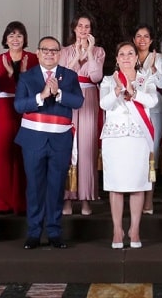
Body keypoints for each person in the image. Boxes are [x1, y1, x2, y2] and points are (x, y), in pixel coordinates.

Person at [14, 36, 83, 249]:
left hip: (60, 139)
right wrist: (41, 96)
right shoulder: (27, 76)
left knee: (56, 186)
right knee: (35, 187)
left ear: (60, 54)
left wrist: (59, 93)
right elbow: (19, 105)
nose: (50, 54)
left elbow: (78, 101)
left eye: (54, 50)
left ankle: (54, 232)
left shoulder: (69, 76)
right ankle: (34, 233)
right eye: (45, 50)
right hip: (33, 139)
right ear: (38, 52)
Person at [100, 42, 158, 249]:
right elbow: (104, 104)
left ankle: (134, 229)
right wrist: (116, 91)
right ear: (117, 59)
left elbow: (152, 101)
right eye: (122, 54)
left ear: (136, 58)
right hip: (115, 138)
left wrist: (135, 93)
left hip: (138, 137)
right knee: (115, 186)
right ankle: (117, 230)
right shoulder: (108, 80)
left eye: (130, 53)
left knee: (137, 185)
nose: (126, 57)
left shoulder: (145, 79)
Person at [58, 13, 105, 216]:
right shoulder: (64, 51)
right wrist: (77, 56)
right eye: (80, 26)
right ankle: (67, 199)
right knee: (68, 148)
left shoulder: (99, 51)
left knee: (87, 149)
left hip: (89, 99)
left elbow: (96, 76)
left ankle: (86, 198)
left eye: (87, 26)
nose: (84, 30)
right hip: (69, 98)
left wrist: (90, 53)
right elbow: (61, 76)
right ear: (74, 28)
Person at [0, 21, 38, 215]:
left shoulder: (33, 59)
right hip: (3, 109)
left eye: (19, 35)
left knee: (24, 154)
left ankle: (22, 203)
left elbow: (37, 87)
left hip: (27, 109)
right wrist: (10, 74)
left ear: (24, 38)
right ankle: (4, 202)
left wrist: (21, 74)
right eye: (11, 35)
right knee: (3, 153)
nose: (15, 39)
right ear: (6, 39)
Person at [133, 24, 162, 215]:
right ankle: (135, 196)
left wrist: (153, 67)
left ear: (151, 40)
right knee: (136, 152)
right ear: (133, 39)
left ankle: (149, 199)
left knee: (151, 152)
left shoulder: (158, 57)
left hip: (153, 108)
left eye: (146, 36)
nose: (142, 40)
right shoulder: (129, 55)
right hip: (133, 108)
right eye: (138, 36)